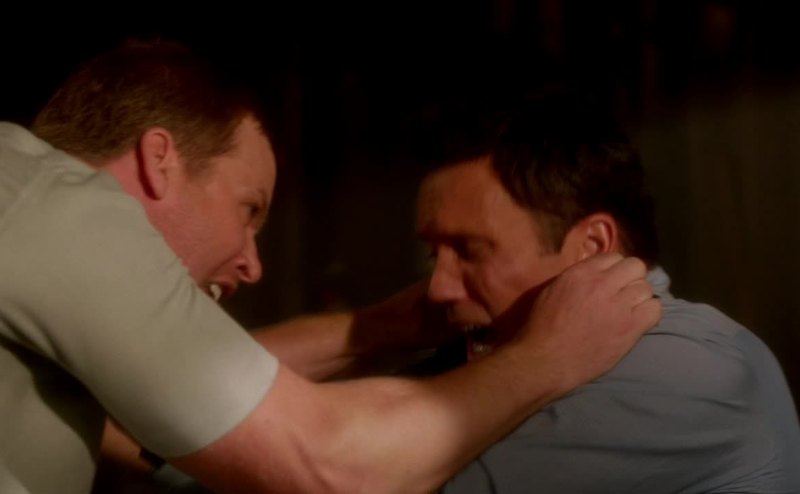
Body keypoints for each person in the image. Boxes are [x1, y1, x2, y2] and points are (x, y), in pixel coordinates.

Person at [0, 41, 660, 494]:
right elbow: (330, 466)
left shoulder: (26, 200)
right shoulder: (65, 211)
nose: (251, 263)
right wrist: (548, 357)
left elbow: (174, 399)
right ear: (158, 160)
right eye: (249, 209)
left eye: (472, 250)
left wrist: (383, 327)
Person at [413, 90, 800, 493]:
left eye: (470, 251)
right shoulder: (510, 347)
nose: (437, 289)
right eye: (434, 254)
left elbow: (379, 476)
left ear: (593, 246)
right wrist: (381, 328)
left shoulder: (681, 363)